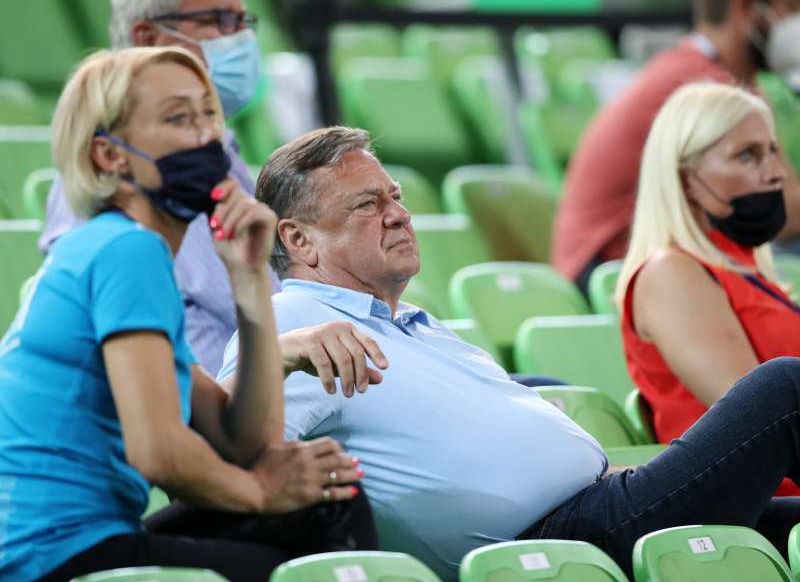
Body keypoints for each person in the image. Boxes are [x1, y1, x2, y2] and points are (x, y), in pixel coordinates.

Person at [220, 125, 800, 581]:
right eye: (367, 205)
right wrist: (279, 354)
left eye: (395, 196)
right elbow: (227, 447)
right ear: (299, 239)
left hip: (601, 507)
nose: (399, 213)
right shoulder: (293, 322)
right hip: (552, 545)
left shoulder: (414, 323)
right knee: (785, 390)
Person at [0, 49, 380, 582]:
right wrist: (259, 493)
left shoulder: (118, 249)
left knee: (326, 495)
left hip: (82, 541)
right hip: (48, 557)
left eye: (208, 113)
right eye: (178, 118)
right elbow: (158, 450)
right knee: (305, 539)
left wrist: (249, 278)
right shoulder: (126, 250)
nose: (205, 135)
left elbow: (244, 441)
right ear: (110, 155)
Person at [41, 0, 270, 374]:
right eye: (219, 20)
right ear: (148, 38)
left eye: (242, 21)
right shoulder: (109, 215)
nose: (241, 38)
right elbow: (174, 397)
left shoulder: (218, 157)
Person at [552, 0, 800, 292]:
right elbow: (779, 210)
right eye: (792, 7)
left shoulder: (731, 81)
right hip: (609, 267)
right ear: (745, 7)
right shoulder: (701, 86)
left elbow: (783, 193)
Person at [616, 81, 800, 445]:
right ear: (686, 181)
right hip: (753, 480)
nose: (775, 172)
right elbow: (761, 420)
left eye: (772, 152)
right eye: (747, 155)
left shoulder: (748, 274)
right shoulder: (671, 273)